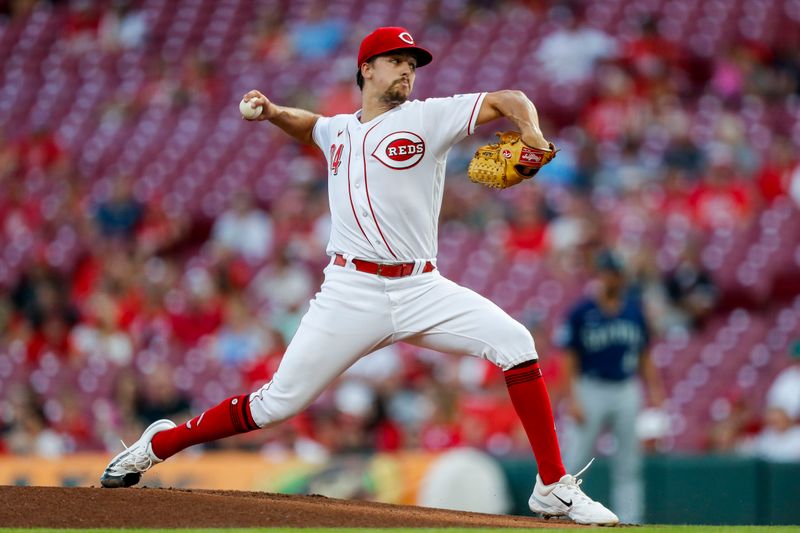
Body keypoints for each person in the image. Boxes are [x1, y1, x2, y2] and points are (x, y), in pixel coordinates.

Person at [99, 26, 618, 526]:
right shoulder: (339, 130)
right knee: (276, 405)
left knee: (516, 341)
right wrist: (276, 112)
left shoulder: (429, 118)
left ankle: (552, 486)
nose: (407, 72)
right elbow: (312, 127)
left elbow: (508, 97)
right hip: (351, 291)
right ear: (366, 69)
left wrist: (530, 131)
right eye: (396, 61)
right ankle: (158, 444)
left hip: (421, 286)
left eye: (412, 64)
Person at [559, 249, 665, 523]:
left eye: (616, 274)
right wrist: (572, 399)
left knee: (629, 461)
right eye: (609, 273)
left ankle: (631, 519)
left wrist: (654, 388)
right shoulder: (582, 311)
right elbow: (569, 359)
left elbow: (644, 354)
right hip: (590, 387)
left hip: (625, 388)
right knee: (575, 460)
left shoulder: (633, 309)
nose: (613, 279)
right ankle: (560, 513)